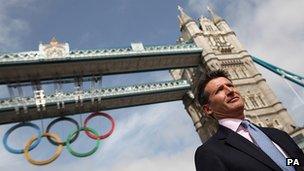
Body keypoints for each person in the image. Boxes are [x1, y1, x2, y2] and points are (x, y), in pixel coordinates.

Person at [195, 69, 304, 171]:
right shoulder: (209, 152)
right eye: (219, 90)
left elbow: (290, 162)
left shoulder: (279, 135)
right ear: (208, 109)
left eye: (230, 85)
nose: (230, 91)